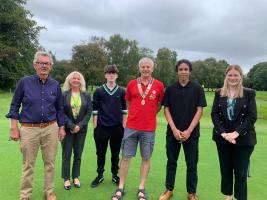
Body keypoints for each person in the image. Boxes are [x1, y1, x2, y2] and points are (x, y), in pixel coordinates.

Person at [6, 51, 66, 200]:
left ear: (51, 66)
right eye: (40, 63)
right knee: (28, 165)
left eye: (47, 63)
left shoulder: (55, 85)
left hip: (50, 128)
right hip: (28, 129)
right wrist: (14, 128)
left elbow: (59, 108)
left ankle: (49, 192)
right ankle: (25, 195)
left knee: (50, 163)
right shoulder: (24, 82)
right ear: (35, 65)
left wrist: (62, 127)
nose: (43, 66)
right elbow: (14, 105)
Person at [112, 57, 164, 200]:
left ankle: (141, 188)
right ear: (139, 68)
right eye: (143, 67)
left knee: (146, 158)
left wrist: (149, 114)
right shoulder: (132, 84)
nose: (146, 69)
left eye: (148, 67)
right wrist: (136, 113)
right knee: (126, 157)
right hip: (131, 126)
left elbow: (159, 105)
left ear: (152, 69)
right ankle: (121, 187)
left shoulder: (159, 85)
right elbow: (128, 102)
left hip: (148, 128)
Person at [159, 59, 207, 200]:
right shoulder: (170, 89)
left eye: (186, 69)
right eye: (181, 69)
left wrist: (188, 131)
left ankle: (191, 193)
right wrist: (174, 130)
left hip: (191, 134)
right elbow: (166, 109)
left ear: (190, 71)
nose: (183, 72)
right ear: (177, 71)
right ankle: (169, 190)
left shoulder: (197, 89)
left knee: (191, 164)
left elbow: (199, 111)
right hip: (173, 132)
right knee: (171, 162)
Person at [211, 65, 257, 200]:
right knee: (225, 170)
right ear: (226, 76)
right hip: (223, 138)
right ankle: (228, 196)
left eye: (236, 75)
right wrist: (224, 134)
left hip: (243, 140)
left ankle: (240, 197)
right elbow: (214, 114)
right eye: (230, 75)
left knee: (240, 173)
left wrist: (235, 133)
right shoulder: (219, 93)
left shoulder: (249, 93)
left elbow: (252, 117)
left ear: (241, 77)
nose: (232, 78)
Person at [91, 65, 127, 187]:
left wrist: (123, 126)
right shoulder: (99, 91)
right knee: (100, 153)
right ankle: (100, 175)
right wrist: (95, 126)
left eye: (113, 73)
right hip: (101, 128)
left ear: (117, 75)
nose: (111, 75)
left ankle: (114, 175)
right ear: (105, 75)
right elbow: (95, 110)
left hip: (117, 128)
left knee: (115, 153)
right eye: (109, 73)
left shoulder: (122, 91)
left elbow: (124, 110)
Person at [61, 71, 92, 190]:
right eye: (73, 78)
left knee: (78, 154)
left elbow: (89, 112)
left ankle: (75, 176)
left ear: (81, 81)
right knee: (66, 155)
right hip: (68, 130)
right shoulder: (64, 95)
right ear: (69, 80)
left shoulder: (86, 95)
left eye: (78, 78)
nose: (76, 80)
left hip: (81, 130)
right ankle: (66, 178)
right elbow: (61, 112)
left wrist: (79, 125)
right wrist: (71, 126)